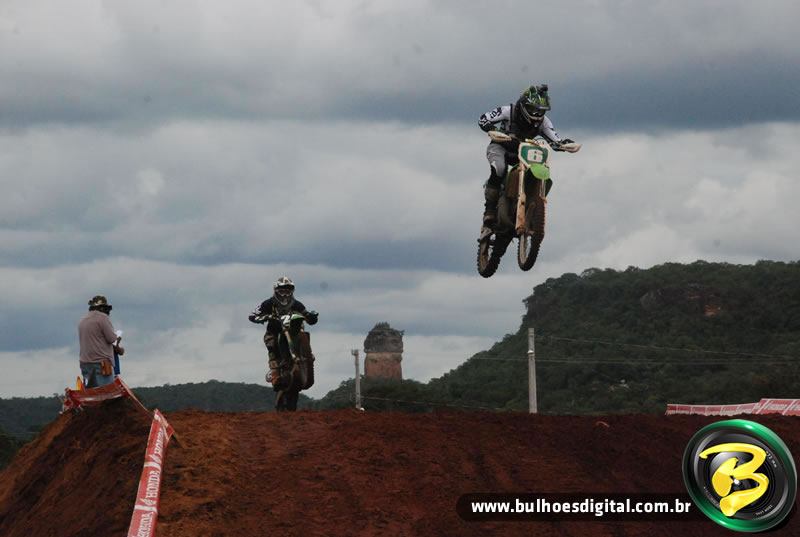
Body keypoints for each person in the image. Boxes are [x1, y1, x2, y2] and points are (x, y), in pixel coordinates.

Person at [477, 83, 578, 225]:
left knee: (535, 169)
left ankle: (531, 201)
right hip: (501, 146)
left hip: (524, 153)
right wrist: (492, 129)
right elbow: (483, 119)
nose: (537, 114)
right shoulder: (508, 111)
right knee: (499, 169)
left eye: (540, 111)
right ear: (524, 105)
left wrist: (565, 144)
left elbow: (555, 140)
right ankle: (489, 211)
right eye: (533, 110)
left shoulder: (544, 122)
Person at [248, 276, 318, 391]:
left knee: (304, 333)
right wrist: (265, 317)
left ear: (292, 291)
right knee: (271, 343)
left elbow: (307, 316)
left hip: (294, 331)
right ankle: (275, 373)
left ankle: (307, 355)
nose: (285, 294)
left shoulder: (297, 304)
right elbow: (252, 315)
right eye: (282, 291)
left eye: (288, 291)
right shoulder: (269, 303)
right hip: (274, 331)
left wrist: (312, 317)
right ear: (276, 290)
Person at [78, 295, 124, 388]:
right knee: (107, 392)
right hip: (101, 364)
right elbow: (112, 339)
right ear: (102, 308)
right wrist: (118, 339)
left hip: (85, 364)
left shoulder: (82, 320)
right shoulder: (103, 318)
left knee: (91, 392)